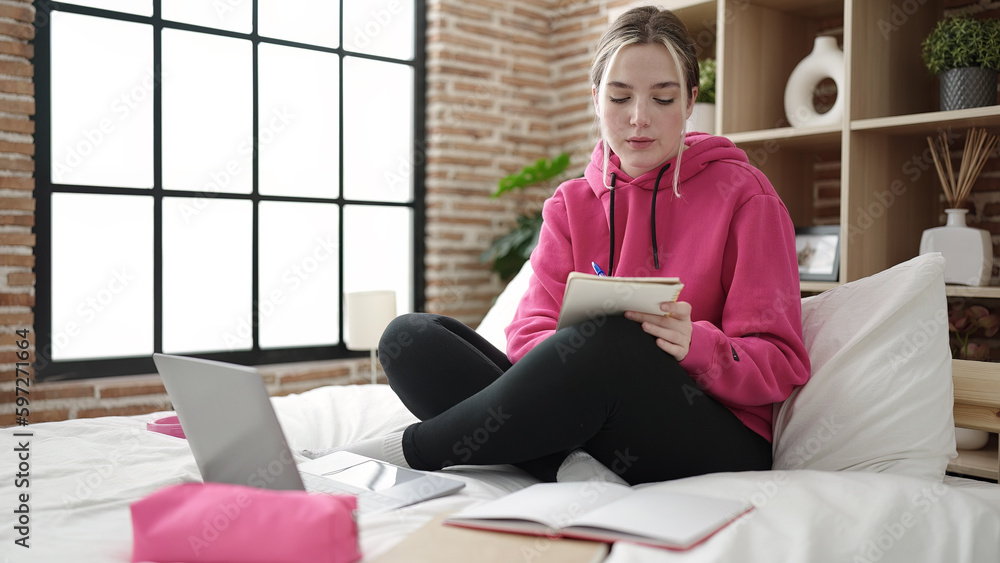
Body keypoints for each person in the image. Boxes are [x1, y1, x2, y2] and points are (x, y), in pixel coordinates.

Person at [337, 5, 811, 486]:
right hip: (590, 421)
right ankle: (567, 464)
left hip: (711, 431)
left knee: (613, 339)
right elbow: (527, 332)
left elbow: (781, 362)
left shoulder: (747, 196)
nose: (639, 118)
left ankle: (410, 449)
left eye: (663, 99)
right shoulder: (570, 204)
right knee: (410, 339)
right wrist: (572, 362)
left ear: (690, 101)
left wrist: (697, 345)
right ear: (595, 98)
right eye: (620, 97)